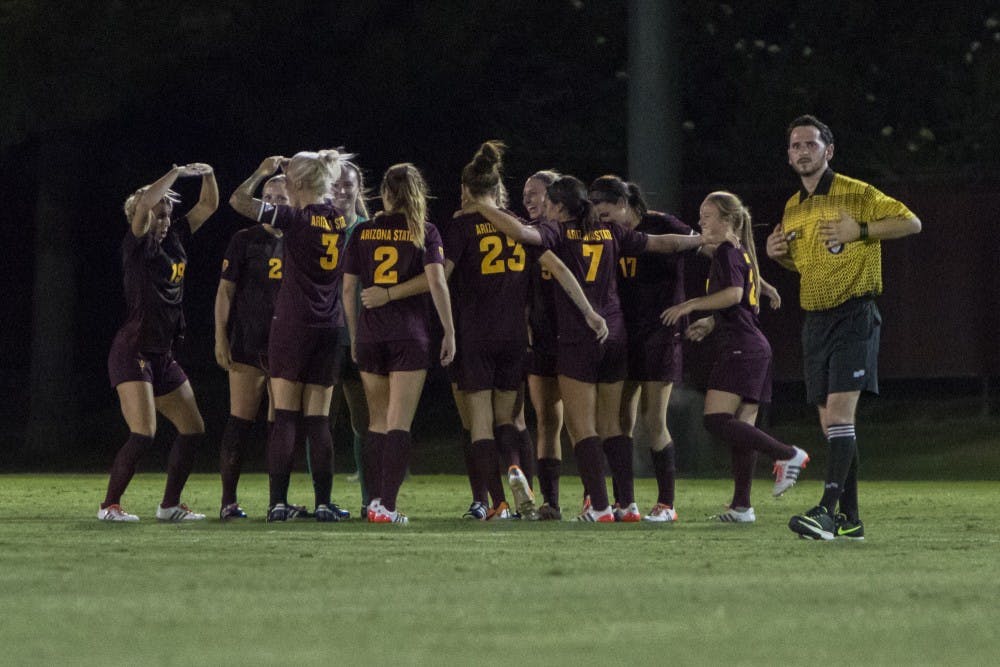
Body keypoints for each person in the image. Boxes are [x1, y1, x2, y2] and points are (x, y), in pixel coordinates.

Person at [470, 175, 702, 522]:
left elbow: (521, 234)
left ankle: (599, 506)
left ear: (560, 207)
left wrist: (483, 206)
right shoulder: (611, 233)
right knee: (613, 425)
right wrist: (699, 240)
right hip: (617, 336)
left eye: (548, 203)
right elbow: (662, 244)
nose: (543, 208)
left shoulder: (559, 232)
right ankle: (627, 504)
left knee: (582, 429)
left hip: (580, 338)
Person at [766, 115, 921, 540]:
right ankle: (851, 520)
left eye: (810, 144)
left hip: (855, 313)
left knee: (838, 416)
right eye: (795, 145)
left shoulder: (856, 193)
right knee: (831, 425)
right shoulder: (794, 208)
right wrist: (777, 254)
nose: (802, 151)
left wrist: (863, 230)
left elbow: (911, 223)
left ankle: (825, 511)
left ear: (828, 150)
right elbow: (807, 266)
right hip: (815, 321)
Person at [663, 191, 809, 524]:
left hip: (741, 348)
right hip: (755, 347)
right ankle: (742, 506)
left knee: (715, 420)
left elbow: (732, 294)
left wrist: (691, 305)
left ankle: (788, 454)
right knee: (741, 429)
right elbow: (741, 299)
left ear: (728, 220)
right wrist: (710, 321)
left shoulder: (728, 252)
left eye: (707, 216)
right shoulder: (740, 253)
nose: (701, 222)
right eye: (700, 217)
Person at [229, 149, 354, 522]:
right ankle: (323, 503)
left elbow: (238, 201)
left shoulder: (294, 219)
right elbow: (335, 199)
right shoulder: (337, 218)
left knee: (284, 415)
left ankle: (278, 503)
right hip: (329, 327)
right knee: (318, 420)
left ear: (296, 183)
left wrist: (262, 171)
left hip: (294, 324)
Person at [100, 162, 218, 522]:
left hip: (162, 353)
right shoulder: (136, 243)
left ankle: (169, 506)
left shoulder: (176, 237)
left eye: (168, 214)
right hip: (133, 349)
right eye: (159, 214)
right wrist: (175, 173)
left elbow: (208, 206)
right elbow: (143, 206)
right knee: (143, 434)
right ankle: (110, 506)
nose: (164, 220)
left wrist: (208, 175)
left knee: (193, 428)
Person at [342, 163, 456, 525]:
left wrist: (355, 333)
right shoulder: (425, 232)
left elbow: (348, 289)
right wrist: (450, 331)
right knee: (399, 423)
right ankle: (387, 507)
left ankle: (374, 502)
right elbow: (437, 283)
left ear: (386, 194)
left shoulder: (363, 232)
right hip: (410, 335)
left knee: (376, 422)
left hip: (371, 334)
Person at [588, 175, 697, 522]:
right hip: (626, 334)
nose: (601, 220)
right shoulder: (611, 235)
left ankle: (667, 503)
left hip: (660, 333)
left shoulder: (660, 223)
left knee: (653, 419)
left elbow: (698, 244)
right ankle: (625, 500)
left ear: (623, 205)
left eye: (605, 213)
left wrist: (702, 309)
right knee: (620, 418)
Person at [214, 175, 287, 520]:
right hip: (248, 339)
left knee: (280, 424)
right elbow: (225, 291)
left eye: (281, 198)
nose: (273, 204)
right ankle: (228, 501)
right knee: (240, 421)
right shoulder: (244, 239)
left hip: (287, 343)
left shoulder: (301, 238)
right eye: (268, 197)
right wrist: (220, 335)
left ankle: (277, 502)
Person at [328, 161, 371, 518]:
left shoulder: (369, 232)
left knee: (365, 423)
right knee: (320, 422)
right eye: (336, 186)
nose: (342, 193)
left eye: (348, 186)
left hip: (358, 336)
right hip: (322, 336)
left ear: (359, 190)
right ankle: (321, 501)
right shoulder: (314, 229)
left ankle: (368, 499)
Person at [522, 170, 565, 519]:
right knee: (547, 420)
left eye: (535, 193)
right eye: (525, 194)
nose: (529, 200)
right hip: (542, 337)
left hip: (577, 338)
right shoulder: (528, 237)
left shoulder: (574, 233)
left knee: (588, 423)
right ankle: (550, 500)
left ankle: (602, 499)